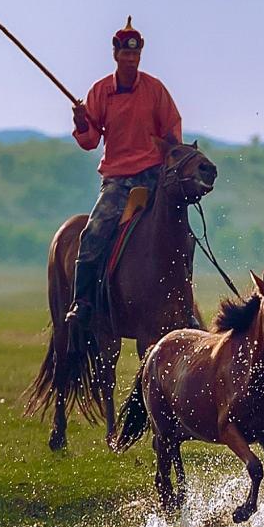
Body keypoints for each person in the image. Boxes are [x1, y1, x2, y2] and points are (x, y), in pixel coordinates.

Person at [65, 20, 183, 334]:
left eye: (135, 55)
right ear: (116, 55)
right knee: (93, 233)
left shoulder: (155, 90)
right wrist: (81, 122)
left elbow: (172, 129)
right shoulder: (101, 91)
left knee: (180, 229)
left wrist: (171, 156)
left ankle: (184, 303)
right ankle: (82, 302)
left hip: (153, 176)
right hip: (117, 180)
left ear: (140, 56)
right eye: (125, 54)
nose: (131, 59)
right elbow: (90, 140)